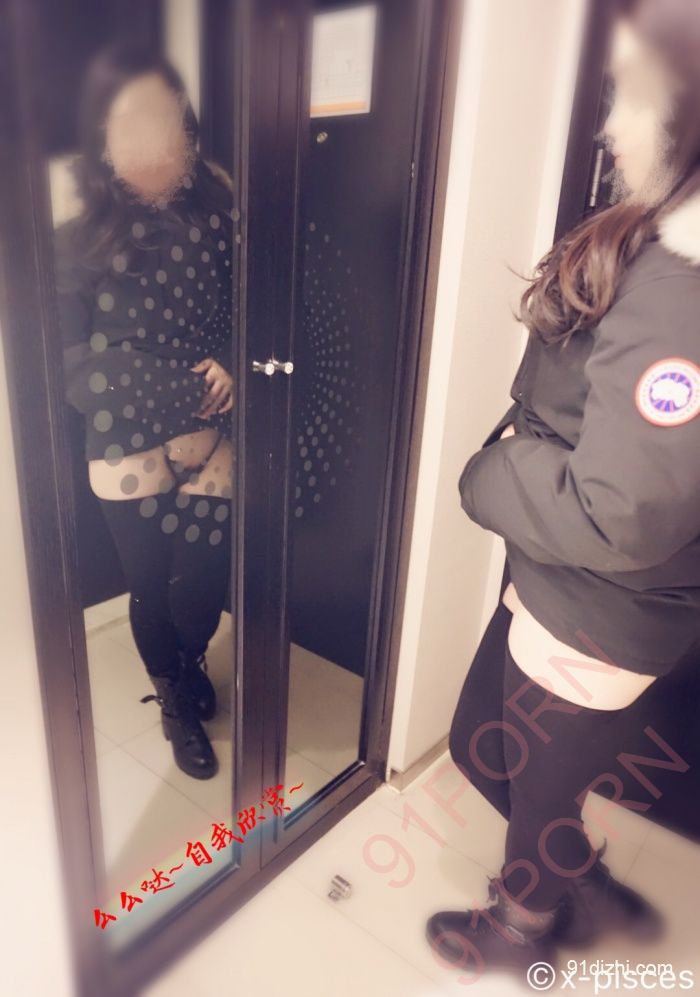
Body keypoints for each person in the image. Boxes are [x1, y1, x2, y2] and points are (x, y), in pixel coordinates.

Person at [427, 0, 700, 979]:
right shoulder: (661, 244)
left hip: (600, 607)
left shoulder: (681, 289)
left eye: (630, 98)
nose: (609, 124)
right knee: (483, 745)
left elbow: (617, 512)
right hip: (560, 585)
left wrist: (491, 468)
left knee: (531, 794)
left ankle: (522, 927)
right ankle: (580, 886)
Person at [54, 44, 237, 781]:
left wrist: (233, 357)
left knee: (203, 583)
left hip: (209, 436)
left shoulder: (218, 215)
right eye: (129, 119)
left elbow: (252, 305)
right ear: (102, 132)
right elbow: (71, 365)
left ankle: (190, 660)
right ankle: (173, 701)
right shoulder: (75, 242)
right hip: (126, 442)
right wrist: (175, 390)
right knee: (150, 585)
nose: (150, 133)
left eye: (164, 114)